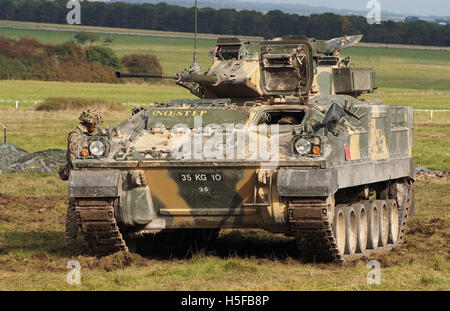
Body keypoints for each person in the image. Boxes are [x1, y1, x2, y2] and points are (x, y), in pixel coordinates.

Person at [59, 108, 103, 239]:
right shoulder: (76, 136)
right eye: (95, 124)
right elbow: (74, 159)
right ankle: (70, 235)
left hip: (88, 173)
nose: (96, 127)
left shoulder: (89, 135)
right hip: (78, 174)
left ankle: (87, 232)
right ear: (88, 123)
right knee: (74, 204)